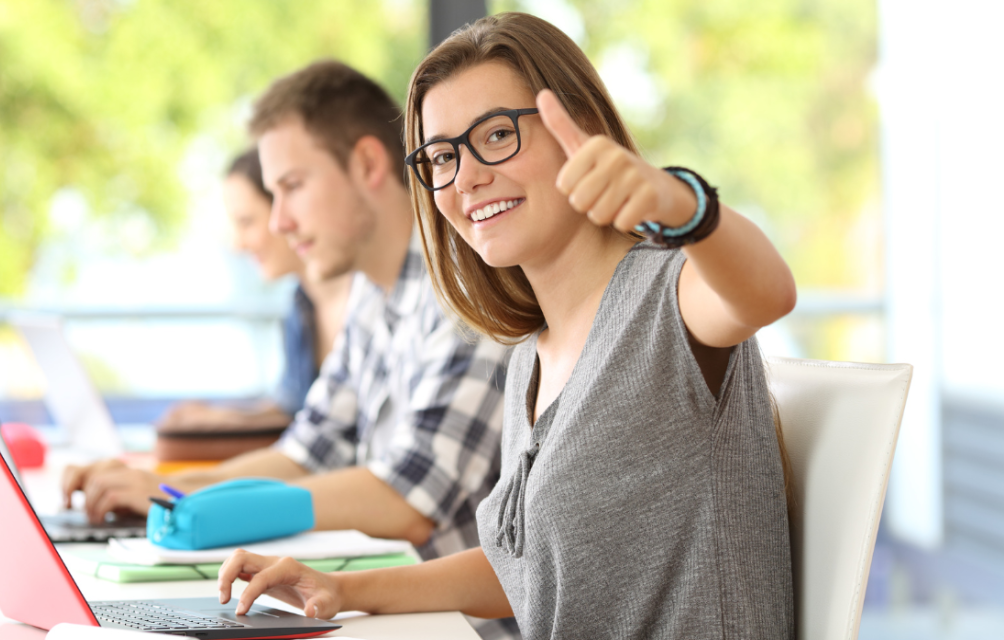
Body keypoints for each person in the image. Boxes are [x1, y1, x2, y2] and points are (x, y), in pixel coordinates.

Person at [215, 12, 797, 640]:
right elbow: (521, 566)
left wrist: (680, 204)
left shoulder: (666, 295)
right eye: (441, 156)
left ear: (586, 130)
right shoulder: (529, 353)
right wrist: (342, 589)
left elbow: (766, 292)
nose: (465, 176)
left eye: (495, 135)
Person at [62, 61, 519, 640]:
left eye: (292, 187)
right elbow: (308, 449)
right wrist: (172, 490)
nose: (280, 221)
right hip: (391, 614)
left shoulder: (463, 293)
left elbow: (407, 497)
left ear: (368, 165)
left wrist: (204, 504)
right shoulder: (374, 297)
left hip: (463, 628)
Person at [158, 148, 352, 430]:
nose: (237, 245)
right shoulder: (300, 306)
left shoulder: (369, 300)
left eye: (247, 222)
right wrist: (221, 417)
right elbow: (293, 411)